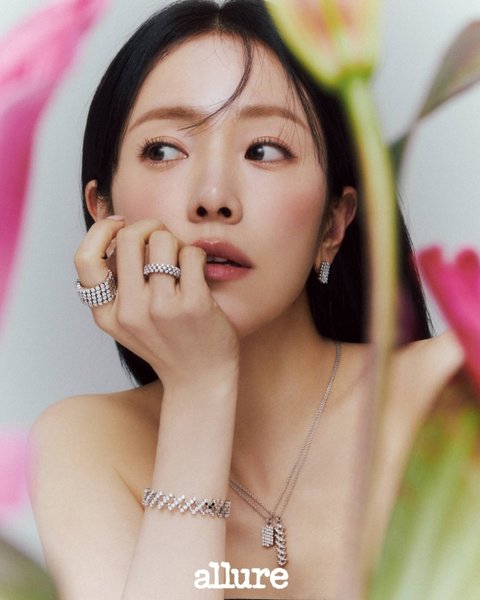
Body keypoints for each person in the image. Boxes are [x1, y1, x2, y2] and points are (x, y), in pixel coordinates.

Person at [29, 1, 464, 598]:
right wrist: (199, 391)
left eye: (264, 150)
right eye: (164, 150)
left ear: (334, 223)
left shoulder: (454, 388)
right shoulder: (87, 443)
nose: (213, 196)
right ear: (102, 211)